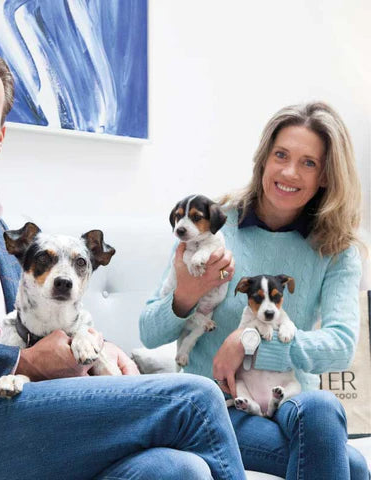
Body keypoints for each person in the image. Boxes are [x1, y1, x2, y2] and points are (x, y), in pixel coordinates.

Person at [0, 43, 247, 480]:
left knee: (176, 469)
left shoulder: (2, 231)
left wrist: (98, 347)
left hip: (23, 413)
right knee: (196, 398)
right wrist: (18, 362)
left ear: (0, 136)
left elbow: (43, 323)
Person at [140, 101, 370, 479]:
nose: (289, 172)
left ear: (326, 176)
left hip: (291, 399)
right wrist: (189, 292)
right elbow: (149, 333)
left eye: (308, 163)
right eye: (281, 155)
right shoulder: (212, 225)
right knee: (355, 466)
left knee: (322, 407)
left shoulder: (335, 248)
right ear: (264, 159)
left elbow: (341, 345)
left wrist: (252, 341)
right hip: (219, 403)